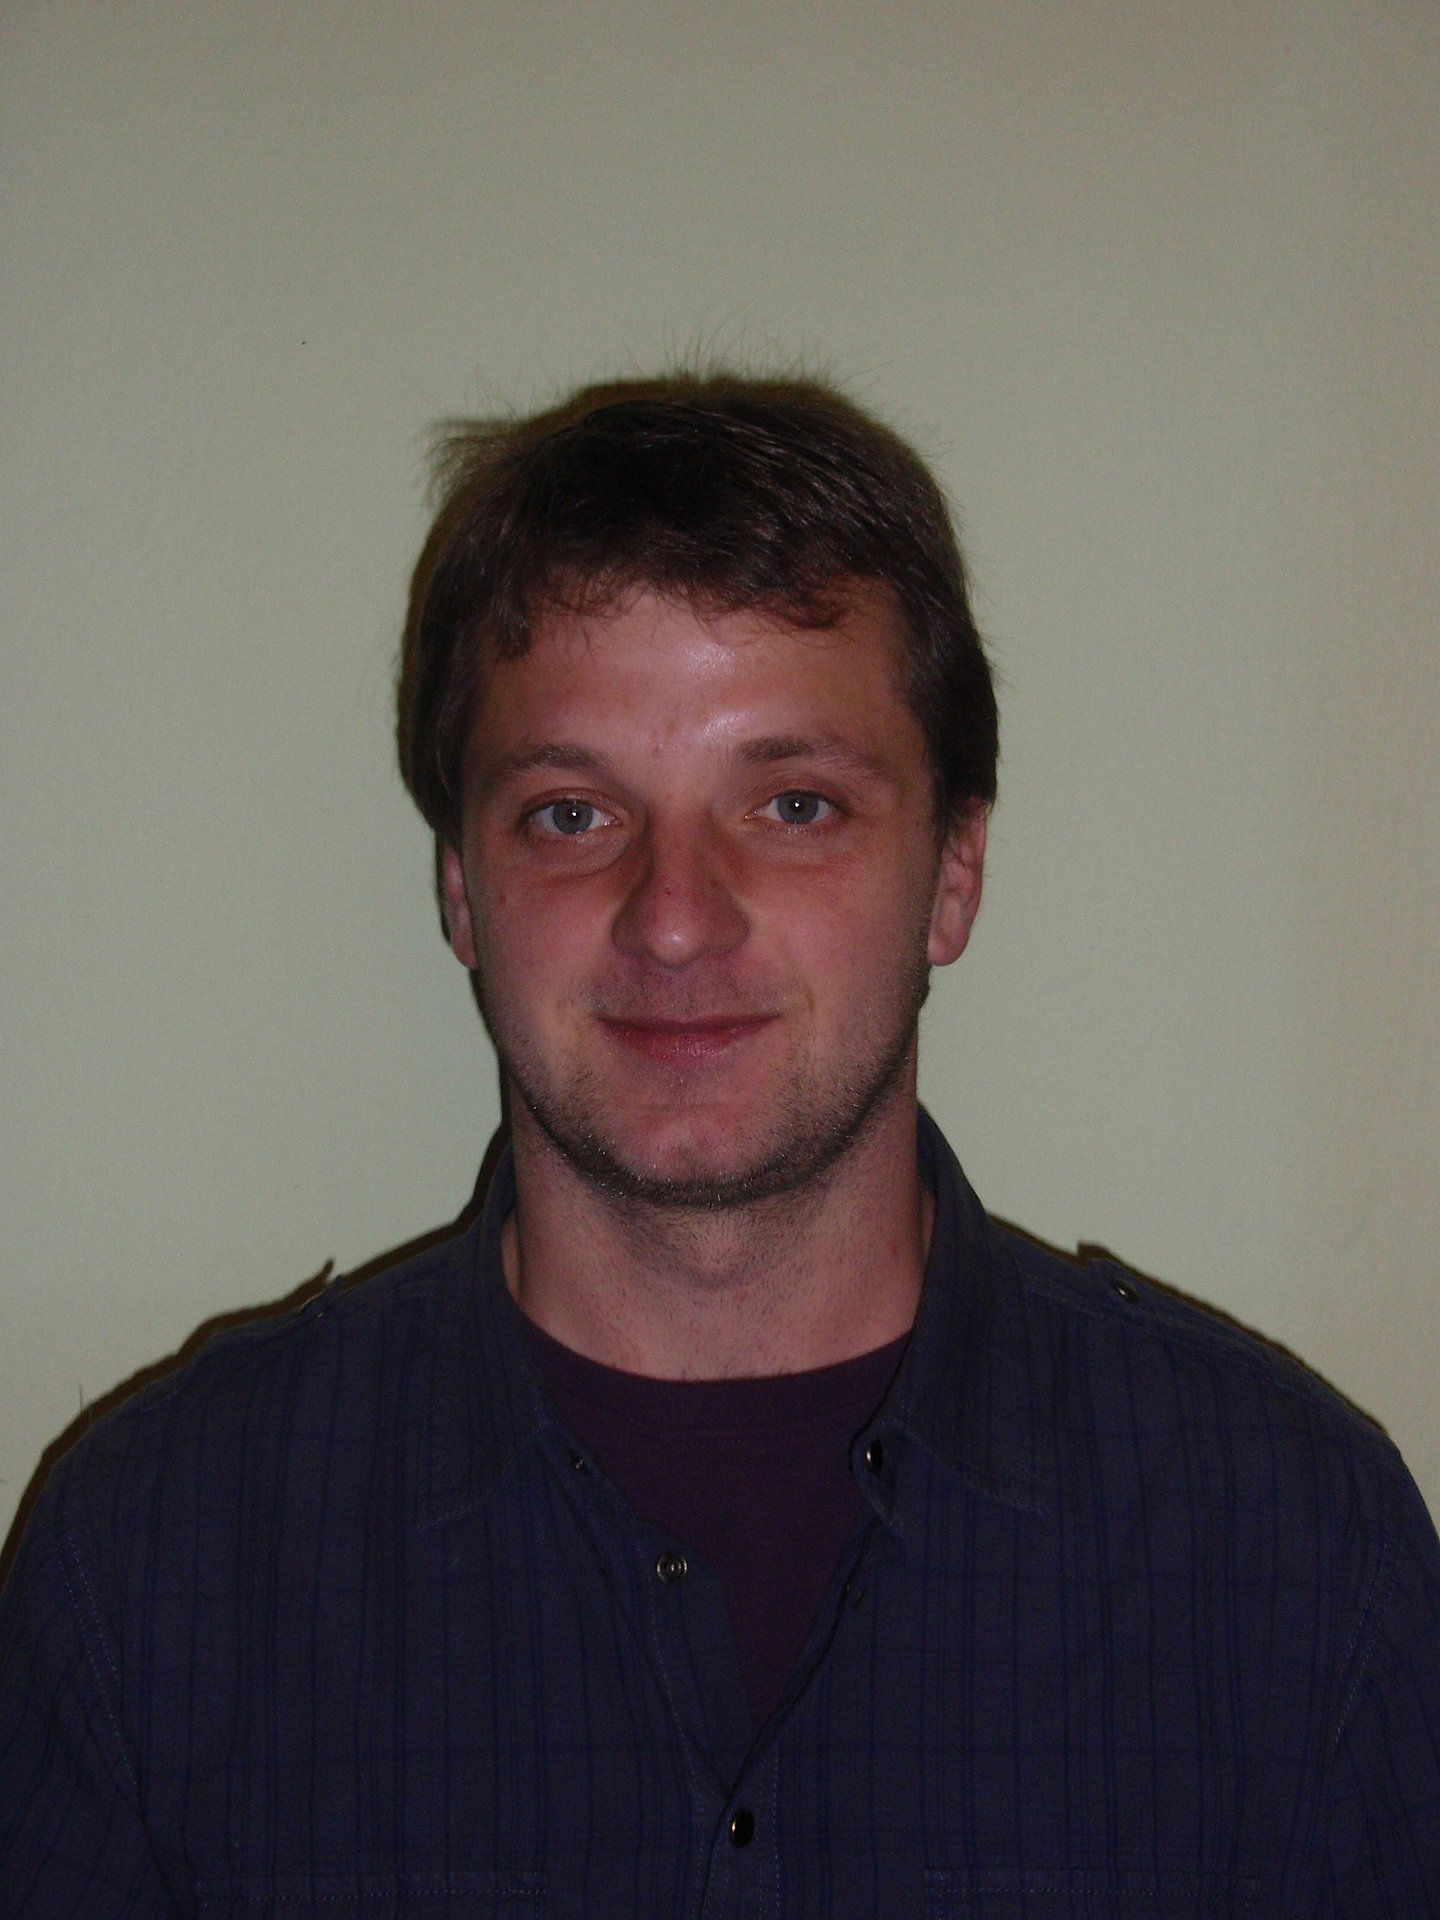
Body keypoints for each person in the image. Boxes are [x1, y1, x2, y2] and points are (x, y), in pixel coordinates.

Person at [2, 374, 1438, 1918]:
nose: (675, 918)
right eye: (571, 814)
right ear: (463, 891)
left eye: (794, 804)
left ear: (954, 872)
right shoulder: (154, 1563)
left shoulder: (1295, 1552)